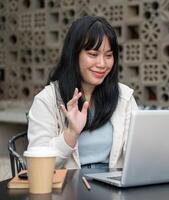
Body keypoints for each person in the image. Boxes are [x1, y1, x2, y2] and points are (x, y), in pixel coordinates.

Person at [27, 16, 138, 169]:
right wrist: (71, 134)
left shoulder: (123, 97)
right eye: (93, 54)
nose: (102, 64)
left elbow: (136, 154)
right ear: (74, 55)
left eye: (108, 55)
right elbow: (37, 166)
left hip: (113, 187)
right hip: (68, 188)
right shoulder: (47, 100)